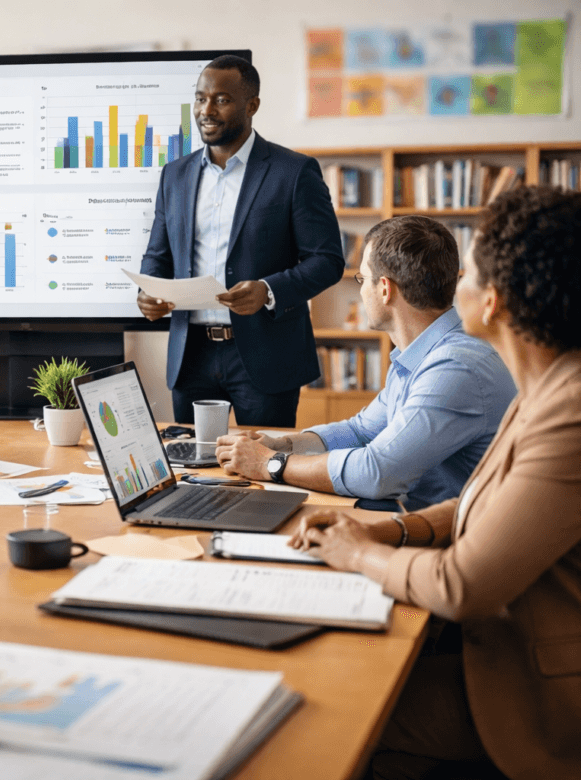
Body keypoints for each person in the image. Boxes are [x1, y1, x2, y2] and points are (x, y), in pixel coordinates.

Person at [289, 186, 581, 780]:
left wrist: (359, 552)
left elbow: (460, 585)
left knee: (322, 712)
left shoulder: (567, 411)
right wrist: (397, 529)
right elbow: (483, 501)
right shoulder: (548, 387)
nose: (451, 285)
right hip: (503, 646)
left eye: (467, 272)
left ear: (494, 302)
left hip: (536, 694)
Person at [215, 216, 516, 510]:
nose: (361, 290)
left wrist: (269, 463)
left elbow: (377, 473)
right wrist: (283, 445)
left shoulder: (454, 367)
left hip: (449, 539)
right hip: (419, 520)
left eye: (363, 279)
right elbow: (361, 431)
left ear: (385, 289)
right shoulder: (421, 354)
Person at [137, 54, 345, 426]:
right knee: (193, 467)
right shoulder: (175, 175)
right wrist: (149, 293)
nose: (206, 110)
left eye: (221, 99)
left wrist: (268, 290)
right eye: (200, 98)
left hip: (267, 354)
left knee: (263, 470)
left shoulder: (294, 172)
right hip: (191, 355)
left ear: (252, 105)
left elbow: (327, 261)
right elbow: (158, 254)